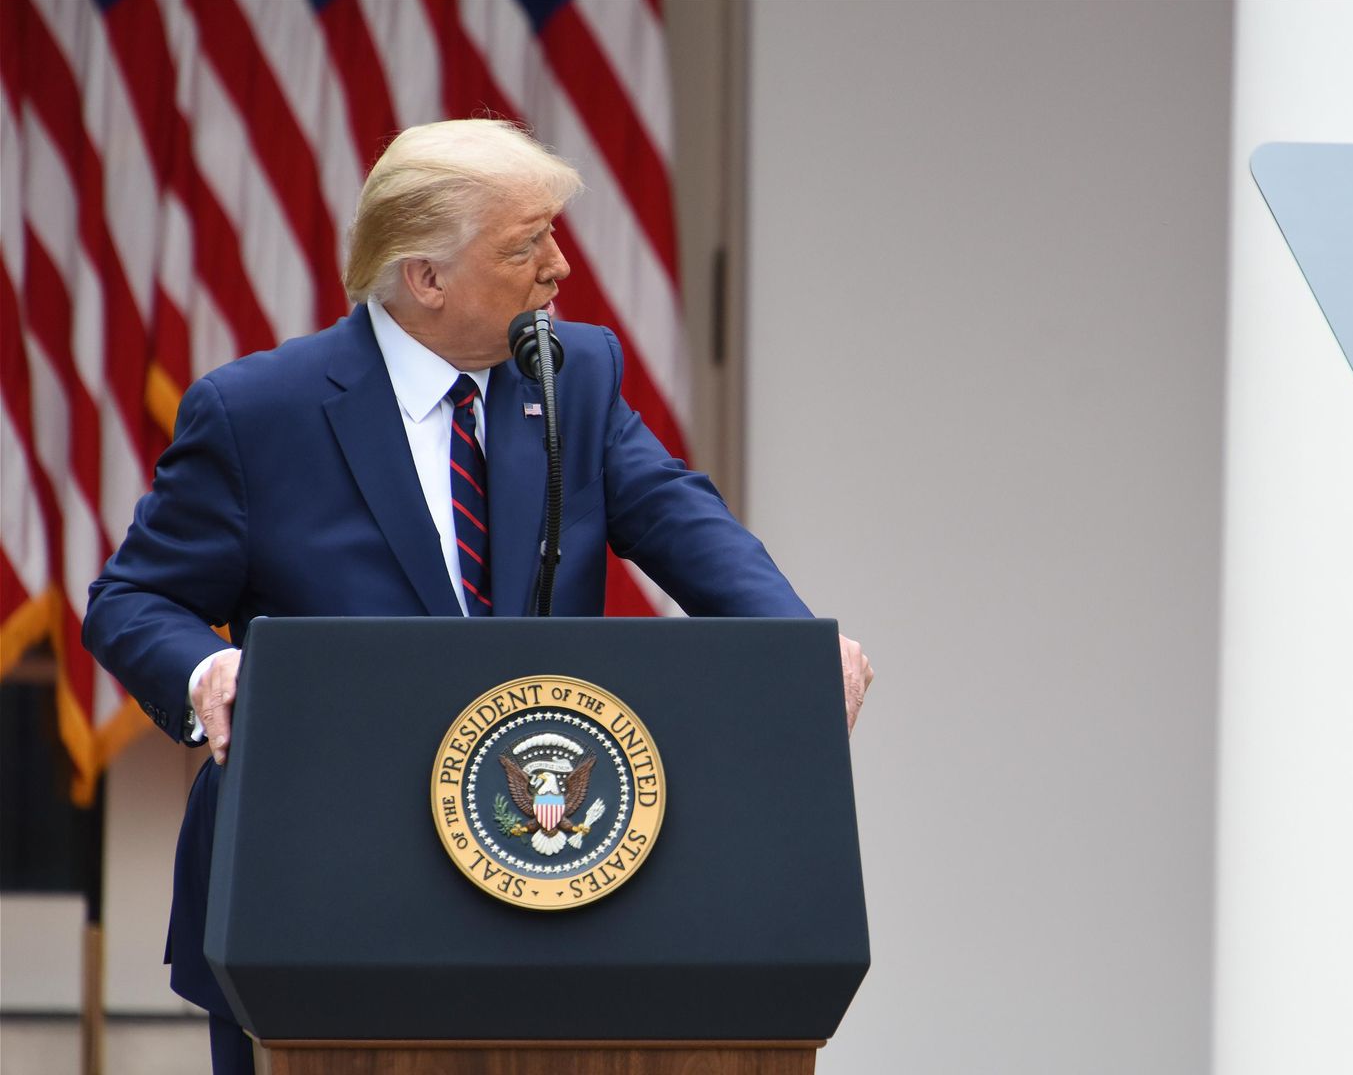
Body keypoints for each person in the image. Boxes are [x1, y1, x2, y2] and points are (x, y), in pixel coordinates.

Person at [82, 119, 874, 1075]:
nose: (559, 267)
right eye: (525, 244)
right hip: (315, 890)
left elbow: (681, 519)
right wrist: (208, 670)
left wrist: (792, 650)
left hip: (550, 887)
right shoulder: (258, 414)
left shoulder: (570, 375)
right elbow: (132, 599)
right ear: (426, 278)